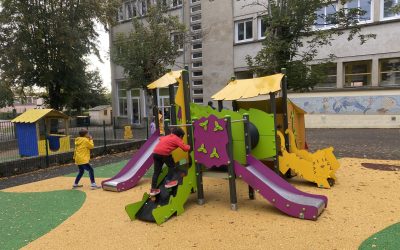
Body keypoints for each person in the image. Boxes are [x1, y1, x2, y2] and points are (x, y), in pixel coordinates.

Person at [150, 127, 190, 196]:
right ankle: (169, 182)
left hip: (155, 153)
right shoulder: (177, 138)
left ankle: (153, 189)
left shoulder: (167, 136)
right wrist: (190, 146)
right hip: (165, 154)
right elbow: (185, 148)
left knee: (156, 172)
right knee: (172, 167)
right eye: (182, 137)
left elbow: (160, 138)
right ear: (180, 136)